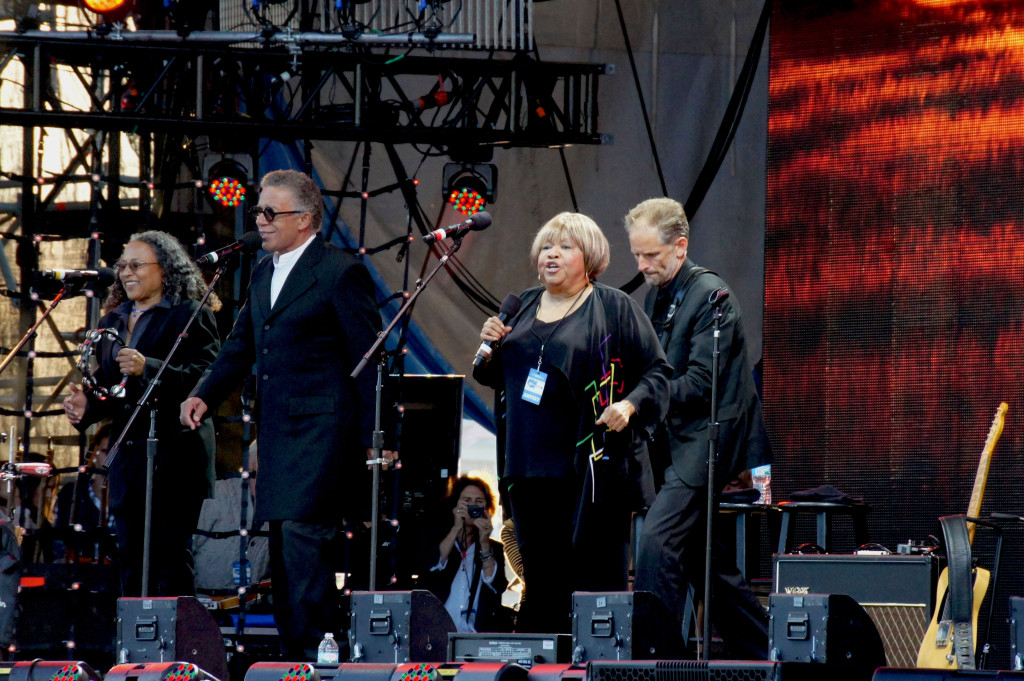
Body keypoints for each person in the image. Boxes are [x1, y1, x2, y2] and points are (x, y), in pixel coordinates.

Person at [180, 169, 387, 660]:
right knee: (284, 554)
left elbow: (368, 356)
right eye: (258, 211)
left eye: (272, 212)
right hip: (277, 438)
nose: (261, 220)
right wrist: (205, 394)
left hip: (322, 434)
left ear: (306, 218)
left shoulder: (339, 271)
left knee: (304, 546)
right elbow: (240, 346)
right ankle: (298, 660)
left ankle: (319, 657)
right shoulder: (261, 273)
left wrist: (378, 433)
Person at [475, 212, 671, 633]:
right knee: (540, 581)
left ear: (590, 258)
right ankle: (541, 666)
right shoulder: (522, 306)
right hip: (527, 466)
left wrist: (630, 405)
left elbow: (657, 372)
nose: (552, 254)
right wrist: (491, 346)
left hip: (589, 469)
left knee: (589, 577)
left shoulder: (613, 307)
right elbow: (501, 378)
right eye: (546, 246)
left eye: (565, 247)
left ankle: (590, 663)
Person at [625, 197, 772, 658]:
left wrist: (638, 397)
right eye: (636, 255)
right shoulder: (658, 295)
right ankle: (765, 651)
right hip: (680, 440)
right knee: (705, 565)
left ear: (680, 247)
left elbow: (698, 385)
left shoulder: (712, 296)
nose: (642, 265)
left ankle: (654, 658)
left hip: (713, 436)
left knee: (657, 541)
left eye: (651, 255)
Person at [63, 230, 221, 597]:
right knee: (131, 556)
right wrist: (87, 406)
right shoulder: (111, 322)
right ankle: (135, 644)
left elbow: (207, 378)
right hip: (129, 456)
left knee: (168, 556)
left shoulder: (188, 314)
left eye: (136, 264)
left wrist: (147, 366)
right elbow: (111, 390)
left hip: (176, 454)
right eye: (122, 266)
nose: (126, 273)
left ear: (165, 269)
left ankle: (176, 646)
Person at [418, 475, 510, 633]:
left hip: (475, 634)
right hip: (437, 632)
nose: (473, 506)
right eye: (467, 501)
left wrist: (485, 542)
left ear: (487, 509)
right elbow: (429, 567)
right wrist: (456, 529)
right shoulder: (440, 540)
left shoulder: (493, 548)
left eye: (479, 502)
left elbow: (496, 585)